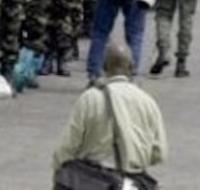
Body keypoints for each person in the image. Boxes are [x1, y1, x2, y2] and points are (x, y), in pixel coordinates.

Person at [53, 44, 166, 188]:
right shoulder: (147, 103)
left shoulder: (90, 98)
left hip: (93, 181)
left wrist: (59, 171)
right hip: (132, 182)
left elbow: (68, 146)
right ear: (131, 68)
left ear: (104, 67)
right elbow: (159, 153)